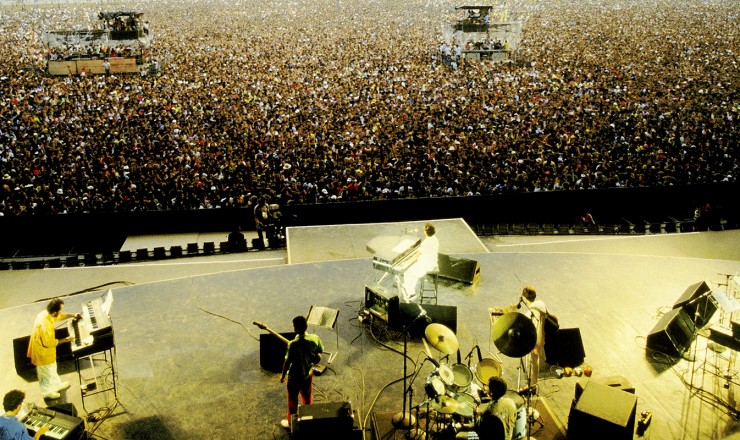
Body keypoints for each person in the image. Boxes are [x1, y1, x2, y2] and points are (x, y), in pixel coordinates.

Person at [26, 298, 79, 400]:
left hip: (45, 350)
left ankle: (56, 385)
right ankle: (47, 392)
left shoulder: (46, 314)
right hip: (42, 352)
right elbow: (48, 343)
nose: (61, 312)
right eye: (60, 310)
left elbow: (59, 317)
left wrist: (72, 315)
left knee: (52, 370)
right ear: (55, 311)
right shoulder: (46, 324)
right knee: (46, 373)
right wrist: (66, 339)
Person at [280, 316, 324, 430]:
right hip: (307, 375)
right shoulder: (315, 338)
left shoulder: (292, 344)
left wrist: (283, 376)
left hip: (294, 377)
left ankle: (291, 424)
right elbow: (320, 352)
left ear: (296, 329)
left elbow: (287, 362)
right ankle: (308, 419)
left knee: (293, 400)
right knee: (307, 397)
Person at [402, 223, 439, 303]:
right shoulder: (435, 239)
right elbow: (423, 250)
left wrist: (406, 262)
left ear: (425, 232)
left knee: (407, 270)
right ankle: (409, 287)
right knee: (413, 272)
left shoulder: (426, 242)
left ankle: (411, 293)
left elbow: (416, 256)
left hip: (426, 265)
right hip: (432, 262)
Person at [521, 286, 547, 386]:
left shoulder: (529, 313)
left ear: (525, 298)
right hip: (543, 335)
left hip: (535, 339)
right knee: (537, 359)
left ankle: (533, 384)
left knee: (533, 361)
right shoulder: (541, 303)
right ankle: (534, 382)